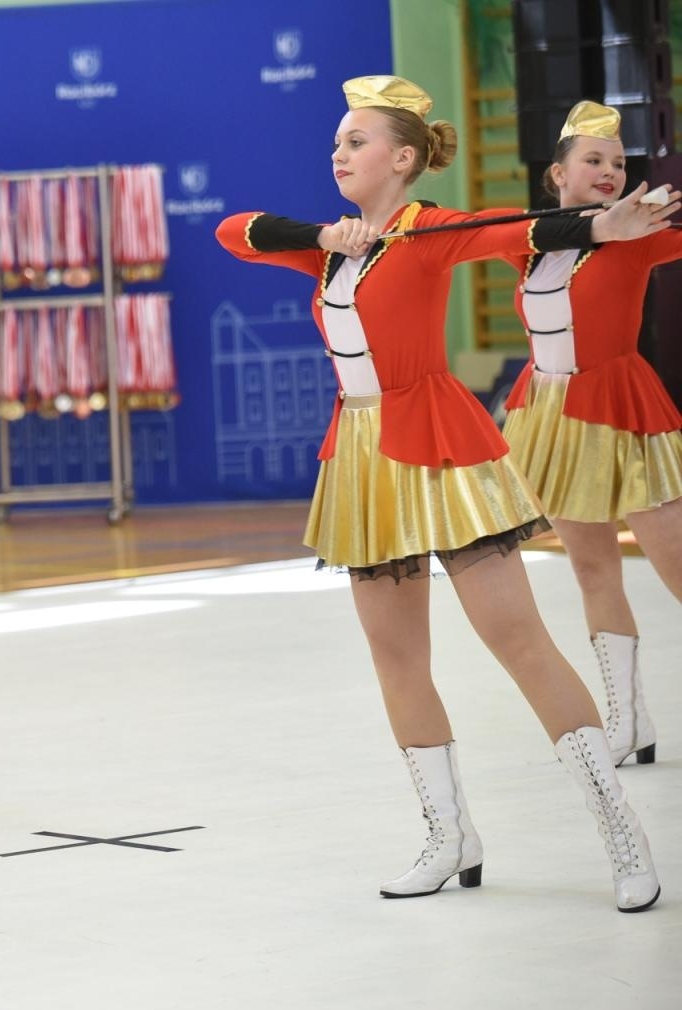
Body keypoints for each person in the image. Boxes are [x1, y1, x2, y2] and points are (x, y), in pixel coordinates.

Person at [214, 75, 678, 912]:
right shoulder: (327, 246)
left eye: (355, 142)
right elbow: (233, 231)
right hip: (359, 455)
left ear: (401, 158)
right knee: (396, 656)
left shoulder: (433, 232)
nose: (338, 153)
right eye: (335, 144)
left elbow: (519, 227)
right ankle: (448, 834)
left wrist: (599, 226)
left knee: (519, 641)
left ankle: (619, 830)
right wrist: (328, 234)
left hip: (435, 436)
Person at [497, 101, 682, 770]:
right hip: (551, 413)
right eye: (593, 161)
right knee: (591, 567)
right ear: (557, 173)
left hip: (620, 405)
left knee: (677, 565)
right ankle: (628, 717)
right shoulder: (530, 239)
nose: (609, 171)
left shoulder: (638, 233)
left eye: (618, 163)